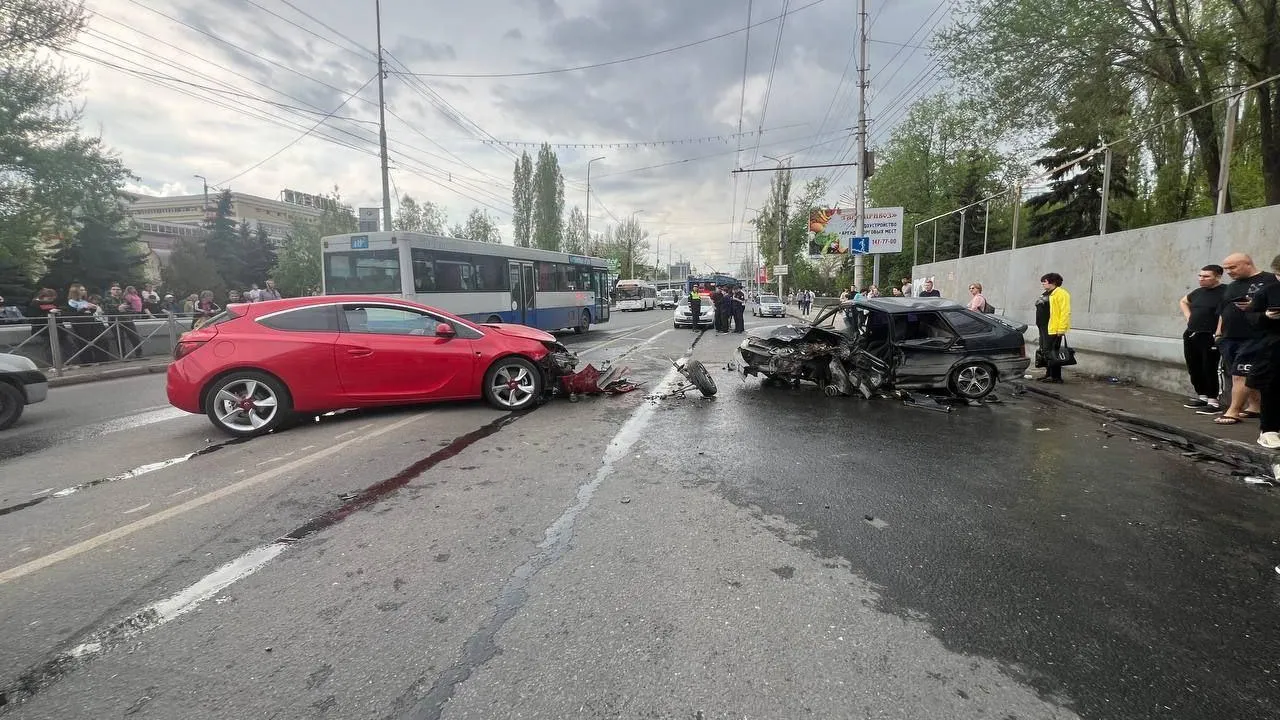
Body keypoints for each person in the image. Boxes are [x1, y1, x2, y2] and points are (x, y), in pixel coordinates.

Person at [1213, 253, 1279, 425]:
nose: (1228, 271)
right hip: (1229, 336)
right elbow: (1223, 310)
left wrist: (1256, 308)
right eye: (1226, 268)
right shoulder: (1232, 286)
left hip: (1255, 337)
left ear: (1248, 263)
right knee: (1244, 374)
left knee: (1240, 374)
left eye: (1232, 267)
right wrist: (1218, 333)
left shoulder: (1270, 280)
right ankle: (1255, 407)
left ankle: (1233, 411)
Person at [1179, 264, 1226, 411]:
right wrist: (1189, 317)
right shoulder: (1198, 292)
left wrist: (1219, 332)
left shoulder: (1225, 291)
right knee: (1194, 366)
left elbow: (1225, 314)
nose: (1201, 279)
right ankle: (1202, 396)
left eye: (1206, 276)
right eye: (1200, 276)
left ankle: (1213, 401)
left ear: (1218, 277)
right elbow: (1183, 301)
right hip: (1192, 334)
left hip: (1210, 335)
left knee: (1210, 367)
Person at [1248, 254, 1280, 448]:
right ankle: (1268, 429)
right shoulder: (1268, 291)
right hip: (1274, 345)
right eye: (1278, 274)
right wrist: (1266, 316)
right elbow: (1251, 317)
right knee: (1272, 387)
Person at [1035, 272, 1071, 383]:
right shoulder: (1046, 293)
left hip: (1053, 328)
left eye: (1045, 282)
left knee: (1053, 352)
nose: (1043, 284)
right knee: (1045, 351)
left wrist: (1061, 329)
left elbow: (1065, 312)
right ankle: (1048, 373)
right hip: (1043, 327)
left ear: (1053, 282)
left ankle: (1056, 377)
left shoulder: (1061, 294)